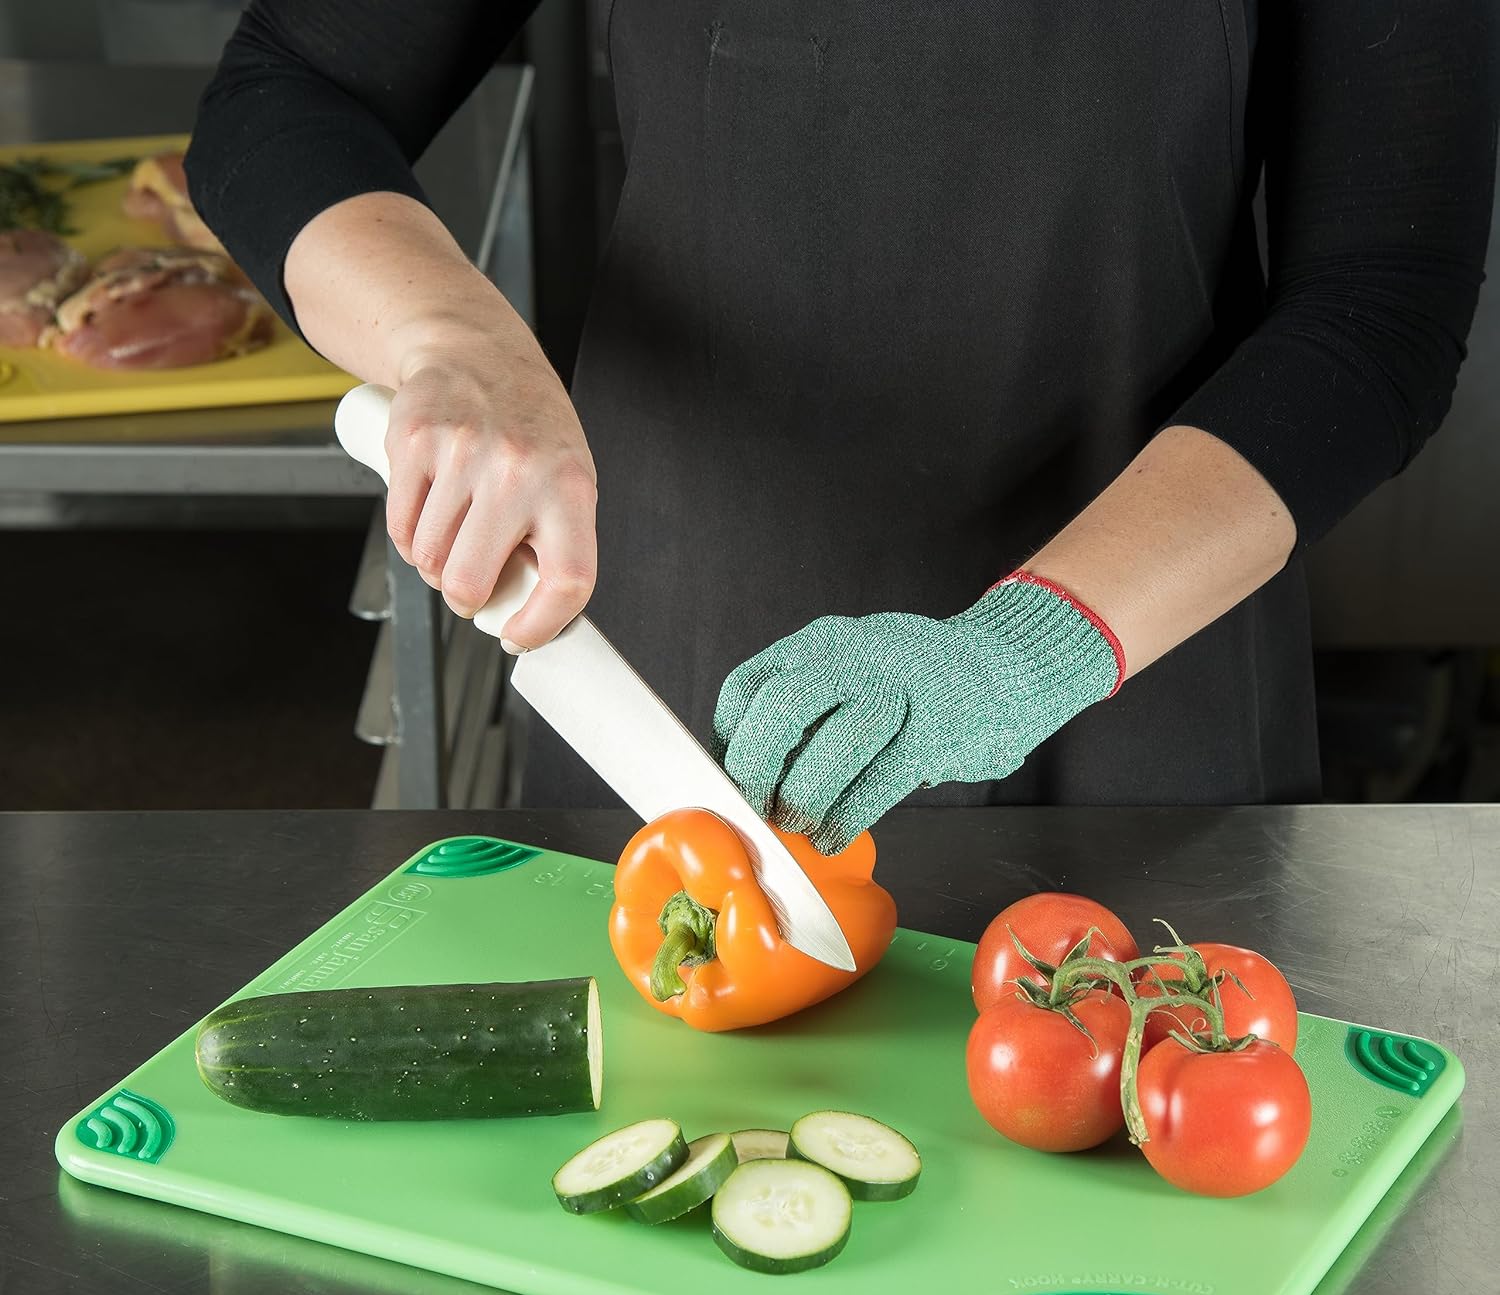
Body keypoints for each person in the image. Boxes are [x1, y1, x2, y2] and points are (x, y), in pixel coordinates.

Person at [187, 2, 1497, 851]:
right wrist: (451, 339)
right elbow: (292, 89)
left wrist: (1028, 654)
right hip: (679, 669)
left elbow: (1379, 305)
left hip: (1144, 657)